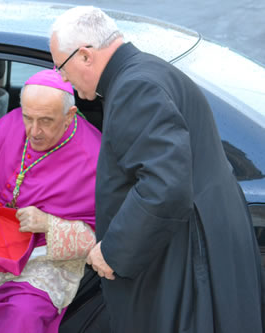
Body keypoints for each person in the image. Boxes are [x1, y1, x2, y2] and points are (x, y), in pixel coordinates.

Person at [49, 6, 264, 333]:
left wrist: (113, 251)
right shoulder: (147, 71)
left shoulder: (136, 87)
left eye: (61, 66)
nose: (61, 77)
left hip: (188, 261)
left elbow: (164, 188)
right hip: (196, 245)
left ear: (85, 56)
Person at [0, 69, 102, 333]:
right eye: (28, 117)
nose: (33, 131)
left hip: (41, 260)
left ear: (69, 116)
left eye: (45, 121)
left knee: (24, 313)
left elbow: (99, 237)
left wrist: (48, 224)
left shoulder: (94, 157)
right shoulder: (13, 122)